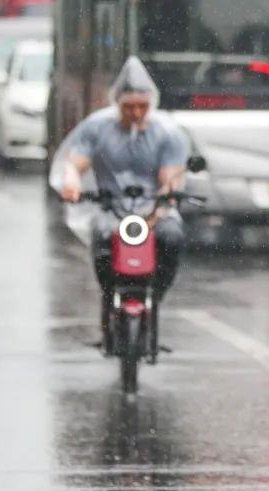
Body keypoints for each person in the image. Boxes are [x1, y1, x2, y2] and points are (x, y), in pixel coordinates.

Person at [56, 57, 188, 350]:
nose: (136, 113)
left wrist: (162, 203)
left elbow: (170, 177)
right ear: (117, 103)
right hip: (112, 208)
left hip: (155, 209)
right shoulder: (98, 128)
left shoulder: (167, 133)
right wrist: (71, 181)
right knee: (102, 239)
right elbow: (76, 161)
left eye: (142, 106)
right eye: (129, 107)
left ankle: (156, 296)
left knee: (172, 238)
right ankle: (109, 299)